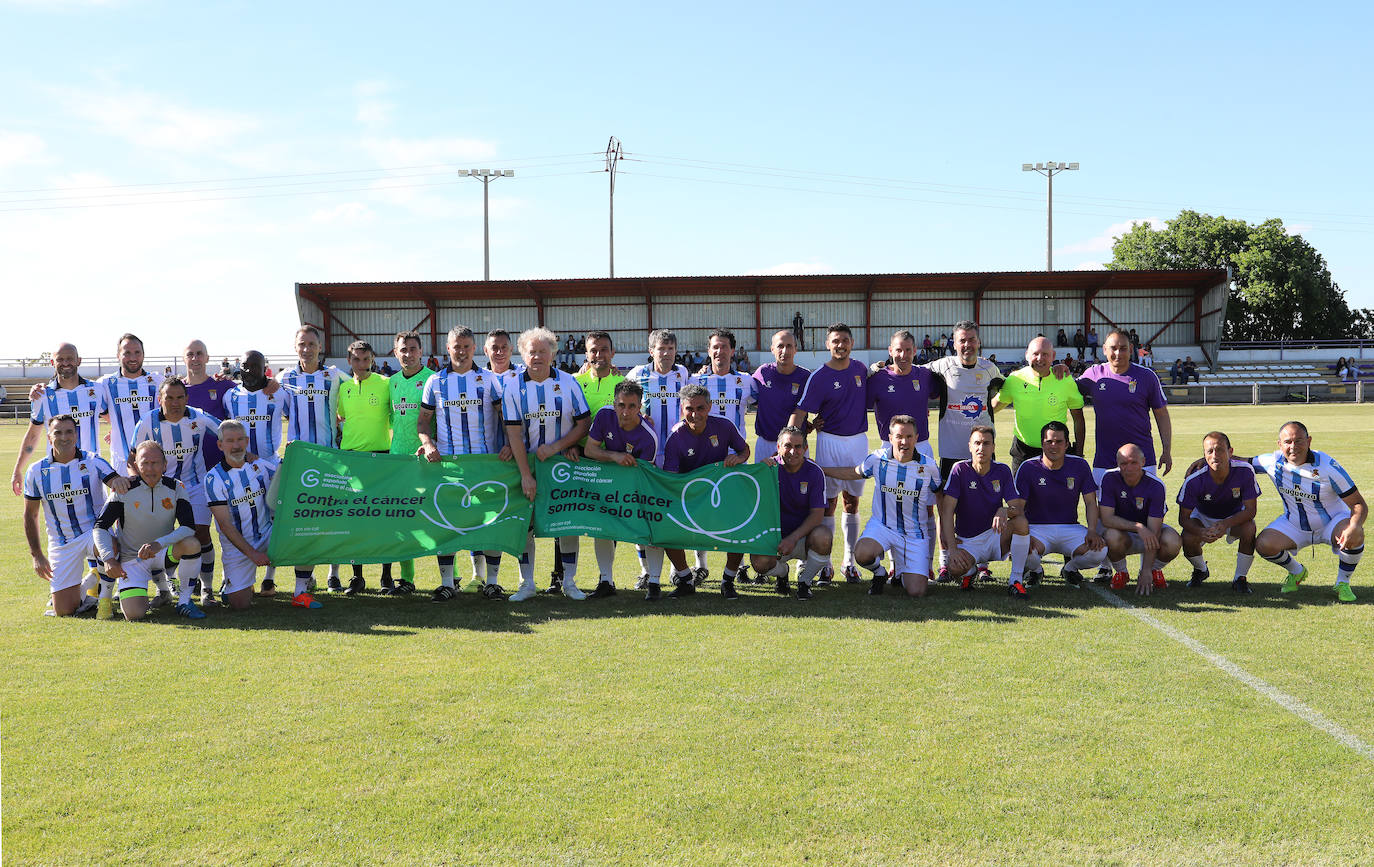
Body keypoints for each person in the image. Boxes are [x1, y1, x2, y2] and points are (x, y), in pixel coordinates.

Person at [418, 325, 509, 602]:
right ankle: (447, 583)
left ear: (474, 348)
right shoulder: (435, 381)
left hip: (485, 465)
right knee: (446, 525)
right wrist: (428, 443)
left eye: (466, 346)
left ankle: (491, 582)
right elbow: (423, 421)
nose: (461, 350)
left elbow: (505, 417)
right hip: (449, 467)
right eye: (456, 346)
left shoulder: (489, 380)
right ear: (448, 348)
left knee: (490, 524)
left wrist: (508, 445)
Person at [503, 327, 592, 602]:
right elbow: (514, 434)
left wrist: (558, 447)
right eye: (532, 351)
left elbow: (584, 423)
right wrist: (526, 475)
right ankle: (527, 583)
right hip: (529, 464)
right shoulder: (513, 386)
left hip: (562, 463)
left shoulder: (568, 382)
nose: (537, 356)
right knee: (526, 524)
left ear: (553, 353)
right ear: (523, 354)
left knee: (567, 523)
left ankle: (569, 581)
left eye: (543, 351)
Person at [821, 415, 940, 597]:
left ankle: (902, 569)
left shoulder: (929, 467)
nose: (904, 442)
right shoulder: (877, 459)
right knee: (862, 553)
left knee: (917, 591)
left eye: (909, 436)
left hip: (914, 534)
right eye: (899, 436)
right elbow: (854, 472)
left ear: (917, 438)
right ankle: (880, 572)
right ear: (890, 438)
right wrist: (823, 470)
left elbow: (942, 495)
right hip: (883, 527)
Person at [129, 378, 223, 605]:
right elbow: (133, 457)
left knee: (200, 534)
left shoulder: (198, 417)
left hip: (195, 485)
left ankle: (207, 588)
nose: (174, 402)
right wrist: (137, 486)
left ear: (186, 399)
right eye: (169, 397)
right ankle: (165, 587)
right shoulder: (147, 422)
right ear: (160, 399)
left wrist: (247, 456)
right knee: (158, 537)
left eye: (180, 397)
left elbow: (225, 431)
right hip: (161, 488)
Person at [207, 420, 318, 610]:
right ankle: (235, 585)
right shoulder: (213, 478)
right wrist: (253, 554)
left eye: (240, 440)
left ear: (247, 441)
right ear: (220, 445)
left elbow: (288, 474)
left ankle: (300, 592)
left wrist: (292, 454)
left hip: (268, 534)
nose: (236, 445)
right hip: (238, 546)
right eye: (230, 441)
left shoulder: (260, 466)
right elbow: (225, 525)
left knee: (306, 534)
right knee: (239, 605)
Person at [924, 320, 1005, 580]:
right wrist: (879, 367)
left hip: (983, 452)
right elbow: (910, 372)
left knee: (986, 506)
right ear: (955, 343)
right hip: (951, 452)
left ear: (978, 342)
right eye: (962, 340)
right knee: (945, 509)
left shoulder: (990, 369)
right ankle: (946, 561)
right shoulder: (941, 366)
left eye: (971, 339)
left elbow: (1010, 391)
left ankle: (981, 564)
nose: (967, 344)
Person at [789, 323, 869, 585]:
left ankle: (849, 561)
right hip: (829, 443)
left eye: (845, 340)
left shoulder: (860, 369)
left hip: (857, 442)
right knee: (828, 504)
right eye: (835, 341)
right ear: (828, 344)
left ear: (852, 342)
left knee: (852, 502)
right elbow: (801, 412)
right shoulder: (819, 376)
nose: (840, 345)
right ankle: (826, 563)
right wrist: (791, 439)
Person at [1250, 421, 1365, 602]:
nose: (1293, 447)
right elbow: (1239, 462)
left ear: (1309, 441)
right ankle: (1297, 572)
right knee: (1263, 544)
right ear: (1279, 445)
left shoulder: (1327, 466)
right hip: (1294, 524)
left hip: (1332, 523)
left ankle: (1343, 582)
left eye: (1299, 441)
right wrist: (1204, 461)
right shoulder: (1272, 461)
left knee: (1356, 532)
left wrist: (1354, 526)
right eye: (1287, 442)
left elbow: (1358, 504)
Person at [23, 415, 126, 617]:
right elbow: (30, 515)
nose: (64, 437)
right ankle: (91, 582)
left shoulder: (93, 460)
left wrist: (120, 483)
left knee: (107, 544)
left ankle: (104, 599)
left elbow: (116, 481)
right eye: (58, 432)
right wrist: (36, 555)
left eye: (69, 431)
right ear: (49, 437)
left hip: (93, 533)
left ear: (76, 435)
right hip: (62, 542)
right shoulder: (36, 471)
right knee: (63, 611)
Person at [93, 442, 203, 621]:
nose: (150, 468)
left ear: (165, 464)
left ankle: (184, 601)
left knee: (192, 544)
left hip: (163, 554)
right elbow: (100, 526)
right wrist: (109, 559)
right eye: (145, 463)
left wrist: (158, 544)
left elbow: (188, 527)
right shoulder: (123, 489)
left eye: (156, 463)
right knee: (135, 614)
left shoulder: (176, 487)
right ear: (136, 465)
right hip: (131, 559)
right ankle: (158, 589)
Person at [661, 384, 750, 598]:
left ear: (709, 407)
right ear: (682, 408)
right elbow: (671, 479)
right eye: (690, 409)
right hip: (689, 499)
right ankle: (685, 580)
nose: (695, 414)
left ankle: (728, 581)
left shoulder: (724, 426)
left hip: (721, 496)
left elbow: (744, 449)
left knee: (740, 530)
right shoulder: (676, 437)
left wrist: (738, 458)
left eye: (700, 408)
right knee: (666, 532)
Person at [278, 325, 349, 593]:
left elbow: (357, 393)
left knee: (332, 517)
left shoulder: (334, 376)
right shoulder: (285, 378)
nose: (306, 349)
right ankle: (306, 577)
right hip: (299, 462)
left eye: (311, 344)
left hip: (330, 459)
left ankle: (333, 573)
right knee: (303, 519)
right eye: (302, 344)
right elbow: (282, 412)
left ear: (320, 347)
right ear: (295, 347)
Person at [625, 329, 691, 589]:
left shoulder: (683, 374)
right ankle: (646, 571)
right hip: (646, 456)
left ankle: (678, 569)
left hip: (677, 456)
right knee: (642, 513)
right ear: (651, 350)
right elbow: (623, 405)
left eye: (670, 349)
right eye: (661, 348)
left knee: (674, 514)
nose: (666, 353)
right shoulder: (637, 374)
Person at [583, 380, 660, 599]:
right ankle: (605, 580)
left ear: (640, 406)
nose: (625, 412)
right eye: (621, 405)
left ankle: (654, 582)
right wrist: (614, 456)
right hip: (609, 485)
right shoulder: (604, 416)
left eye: (632, 406)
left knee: (648, 527)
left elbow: (644, 474)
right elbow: (589, 450)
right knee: (602, 527)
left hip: (639, 487)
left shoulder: (648, 437)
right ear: (614, 403)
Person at [1013, 421, 1107, 595]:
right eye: (1049, 441)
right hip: (1037, 529)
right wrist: (1024, 534)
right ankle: (1035, 571)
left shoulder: (1080, 465)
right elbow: (1018, 508)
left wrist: (1092, 530)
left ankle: (1070, 569)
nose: (1053, 446)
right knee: (1021, 549)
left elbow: (1091, 503)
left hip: (1069, 527)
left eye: (1058, 441)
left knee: (1099, 551)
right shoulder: (1028, 467)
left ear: (1067, 444)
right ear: (1042, 444)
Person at [694, 328, 757, 583]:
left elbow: (769, 401)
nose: (719, 351)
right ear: (709, 351)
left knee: (736, 512)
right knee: (701, 512)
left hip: (735, 457)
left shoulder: (746, 380)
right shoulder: (696, 381)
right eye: (715, 347)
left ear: (733, 350)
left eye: (724, 347)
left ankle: (740, 567)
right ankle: (701, 565)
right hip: (702, 457)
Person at [939, 426, 1031, 594]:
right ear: (970, 446)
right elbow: (947, 512)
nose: (981, 448)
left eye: (986, 443)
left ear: (993, 447)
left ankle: (1016, 580)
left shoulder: (1002, 470)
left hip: (995, 536)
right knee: (955, 569)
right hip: (968, 541)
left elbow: (1017, 509)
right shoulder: (959, 469)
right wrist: (951, 549)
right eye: (977, 443)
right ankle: (971, 571)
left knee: (1021, 523)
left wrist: (1005, 510)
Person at [1077, 329, 1172, 484]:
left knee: (1143, 507)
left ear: (1131, 349)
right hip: (1105, 461)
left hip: (1142, 460)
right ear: (1104, 349)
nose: (1118, 353)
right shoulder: (1093, 374)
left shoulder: (1147, 376)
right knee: (1104, 508)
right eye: (1113, 348)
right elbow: (1066, 390)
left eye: (1123, 348)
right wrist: (1060, 369)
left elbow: (1161, 414)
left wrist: (1166, 450)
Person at [13, 343, 107, 497]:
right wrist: (17, 470)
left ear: (79, 361)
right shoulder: (42, 396)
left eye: (70, 358)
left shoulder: (96, 390)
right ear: (52, 363)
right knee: (58, 520)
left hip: (91, 471)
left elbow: (114, 418)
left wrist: (113, 432)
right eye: (60, 359)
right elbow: (33, 435)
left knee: (99, 518)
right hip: (57, 473)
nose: (65, 363)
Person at [336, 340, 393, 595]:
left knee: (383, 518)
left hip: (381, 457)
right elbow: (341, 417)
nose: (361, 364)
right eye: (356, 360)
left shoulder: (385, 384)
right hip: (351, 459)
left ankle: (386, 576)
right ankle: (356, 577)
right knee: (354, 520)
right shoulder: (343, 388)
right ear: (349, 361)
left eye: (366, 359)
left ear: (373, 359)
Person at [752, 425, 831, 600]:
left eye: (797, 447)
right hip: (776, 537)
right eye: (787, 446)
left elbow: (817, 515)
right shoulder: (768, 469)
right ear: (778, 447)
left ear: (805, 448)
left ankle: (805, 582)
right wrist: (761, 471)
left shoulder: (814, 472)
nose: (792, 451)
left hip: (803, 538)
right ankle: (782, 574)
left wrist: (792, 538)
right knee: (758, 563)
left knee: (824, 536)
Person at [1176, 431, 1260, 593]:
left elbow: (1250, 511)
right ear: (1204, 455)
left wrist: (1225, 524)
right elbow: (1183, 519)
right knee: (1187, 537)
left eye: (1220, 450)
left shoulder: (1245, 471)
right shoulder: (1194, 480)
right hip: (1203, 516)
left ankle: (1240, 578)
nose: (1215, 455)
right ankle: (1200, 570)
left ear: (1230, 452)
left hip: (1233, 517)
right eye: (1210, 451)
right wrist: (1201, 530)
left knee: (1249, 528)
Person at [992, 336, 1085, 473]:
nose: (1040, 358)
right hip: (1023, 452)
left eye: (1045, 354)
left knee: (1055, 495)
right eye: (1035, 354)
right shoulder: (1015, 379)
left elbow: (1078, 418)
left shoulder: (1065, 380)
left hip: (1056, 451)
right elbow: (993, 407)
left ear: (1053, 356)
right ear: (1027, 355)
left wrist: (1079, 452)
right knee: (1019, 495)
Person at [1098, 443, 1181, 596]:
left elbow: (1154, 532)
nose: (1129, 468)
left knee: (1173, 541)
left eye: (1133, 462)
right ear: (1117, 464)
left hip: (1149, 532)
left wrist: (1146, 569)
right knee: (1111, 536)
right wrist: (1137, 527)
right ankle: (1122, 572)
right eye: (1123, 463)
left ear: (1143, 462)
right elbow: (1107, 519)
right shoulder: (1109, 477)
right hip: (1122, 532)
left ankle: (1154, 571)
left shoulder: (1156, 485)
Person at [99, 333, 163, 476]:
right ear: (118, 355)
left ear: (143, 355)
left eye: (137, 353)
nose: (133, 358)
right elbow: (100, 410)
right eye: (127, 353)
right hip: (122, 462)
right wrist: (117, 425)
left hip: (156, 460)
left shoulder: (158, 381)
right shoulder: (105, 384)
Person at [867, 330, 935, 459]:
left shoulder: (925, 375)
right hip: (890, 448)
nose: (903, 355)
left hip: (921, 447)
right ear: (890, 351)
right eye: (898, 350)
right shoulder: (877, 378)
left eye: (908, 350)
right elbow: (855, 403)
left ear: (915, 351)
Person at [751, 329, 810, 463]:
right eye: (780, 346)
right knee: (764, 484)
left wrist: (816, 421)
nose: (785, 350)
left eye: (789, 346)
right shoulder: (762, 373)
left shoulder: (805, 377)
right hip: (765, 443)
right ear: (772, 349)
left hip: (795, 446)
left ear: (796, 349)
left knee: (795, 483)